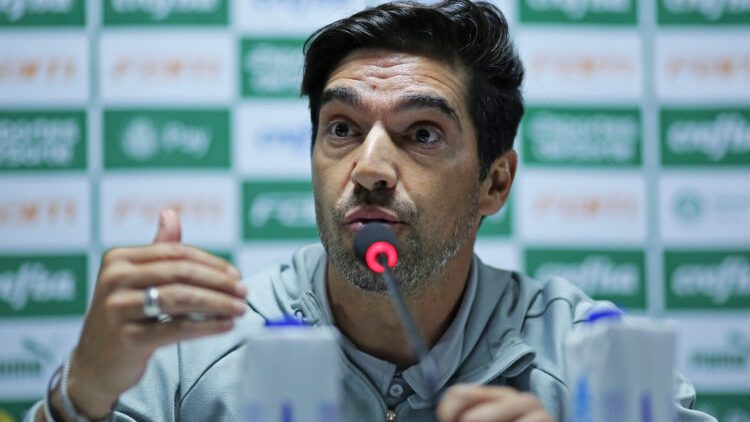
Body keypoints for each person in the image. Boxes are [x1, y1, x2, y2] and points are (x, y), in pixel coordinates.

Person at [28, 1, 715, 421]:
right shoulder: (192, 350)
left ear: (494, 184)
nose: (370, 169)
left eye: (421, 133)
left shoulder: (591, 359)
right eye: (342, 128)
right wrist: (81, 395)